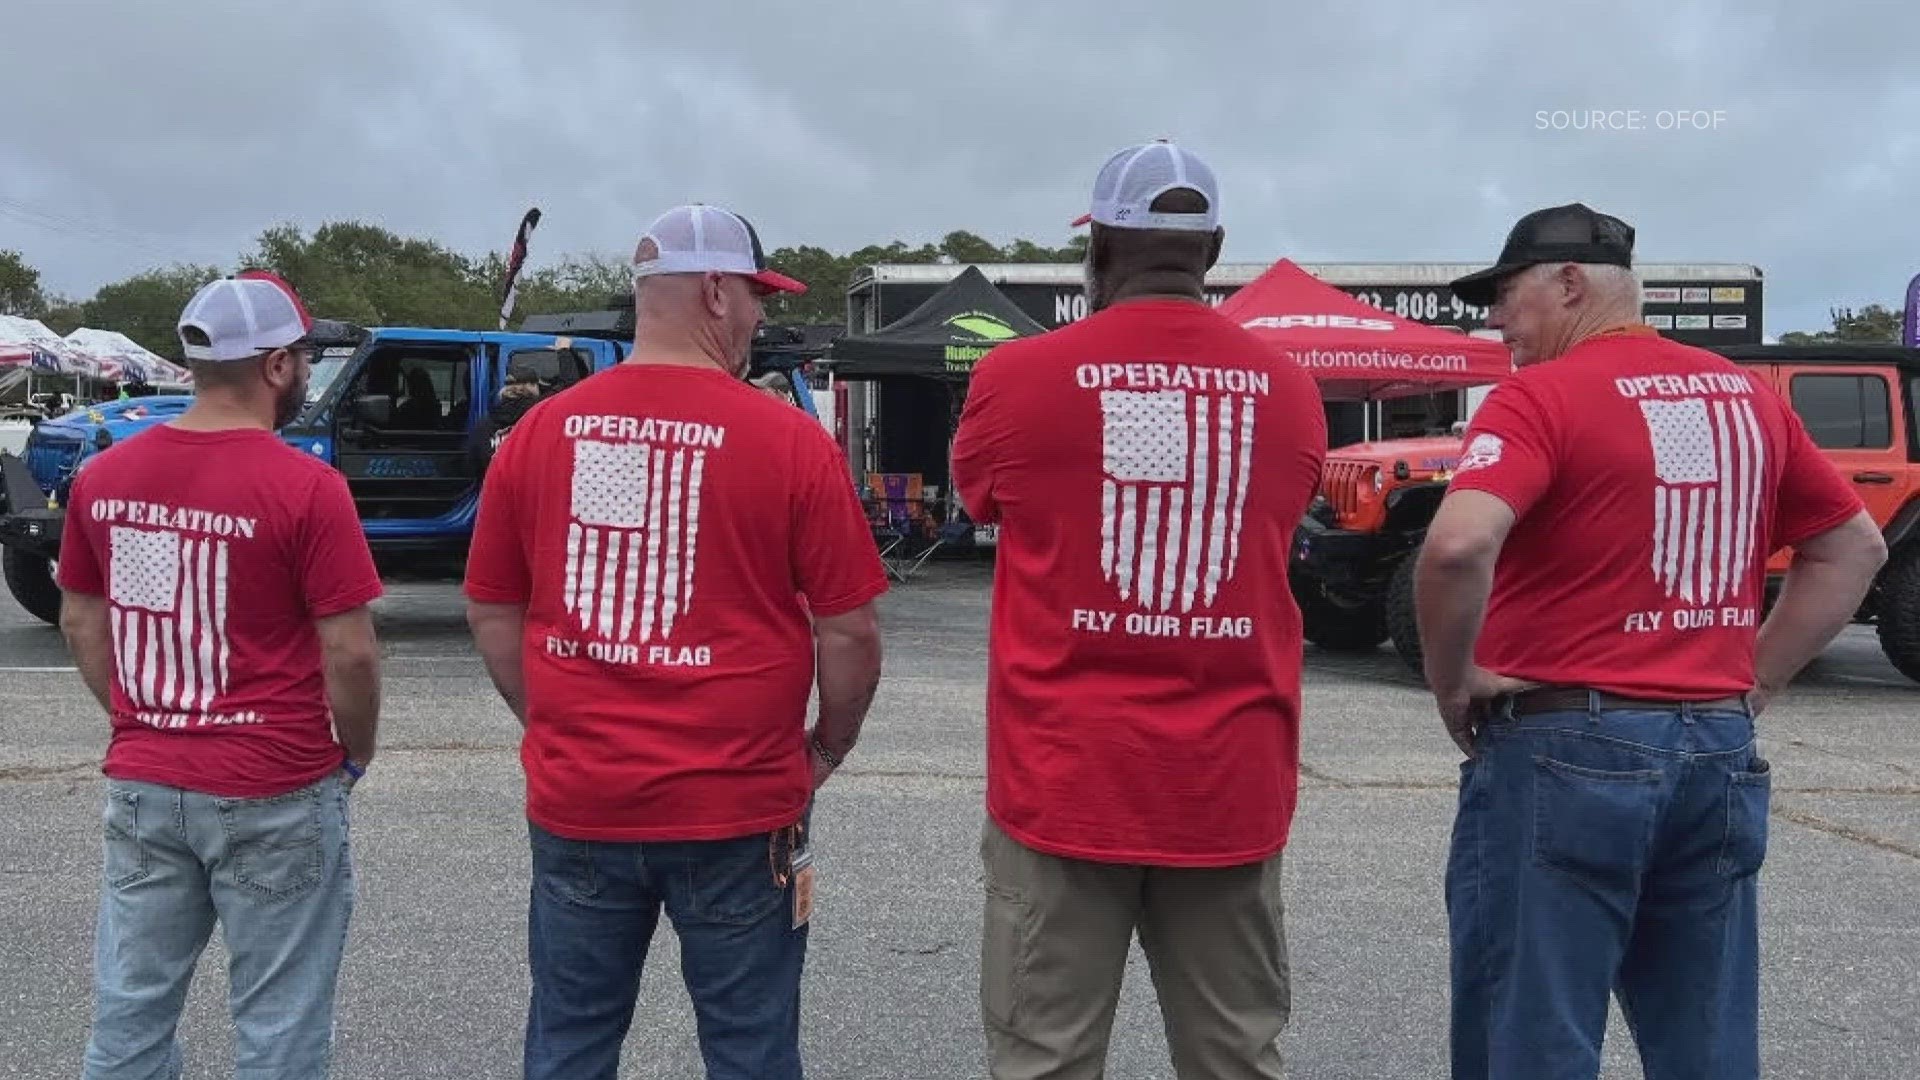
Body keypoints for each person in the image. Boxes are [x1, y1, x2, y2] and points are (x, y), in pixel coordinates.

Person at [1417, 203, 1888, 1080]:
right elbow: (1854, 546)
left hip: (1565, 748)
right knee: (1703, 1035)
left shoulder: (1539, 395)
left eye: (1505, 295)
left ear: (1568, 284)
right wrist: (1757, 676)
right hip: (1715, 747)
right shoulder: (1745, 394)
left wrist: (1454, 679)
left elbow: (1455, 543)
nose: (1495, 319)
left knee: (1533, 1029)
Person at [462, 203, 888, 1080]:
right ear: (717, 292)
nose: (763, 316)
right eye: (758, 298)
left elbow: (493, 610)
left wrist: (552, 720)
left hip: (584, 798)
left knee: (571, 1042)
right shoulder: (788, 442)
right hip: (738, 805)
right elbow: (846, 628)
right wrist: (828, 748)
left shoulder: (541, 433)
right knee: (750, 1048)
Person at [949, 140, 1328, 1079]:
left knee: (1045, 1056)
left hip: (1065, 779)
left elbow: (977, 504)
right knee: (1235, 1055)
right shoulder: (1292, 390)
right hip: (1229, 781)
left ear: (1101, 247)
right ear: (1214, 247)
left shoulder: (1017, 378)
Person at [55, 269, 384, 1079]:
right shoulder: (309, 489)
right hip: (275, 783)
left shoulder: (105, 479)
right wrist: (355, 753)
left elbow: (80, 619)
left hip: (146, 777)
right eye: (303, 356)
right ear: (276, 366)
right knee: (280, 1025)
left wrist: (136, 718)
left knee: (130, 1012)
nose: (306, 372)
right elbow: (350, 651)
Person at [467, 372, 543, 479]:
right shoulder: (543, 422)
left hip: (495, 488)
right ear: (533, 387)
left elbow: (472, 464)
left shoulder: (484, 425)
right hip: (533, 489)